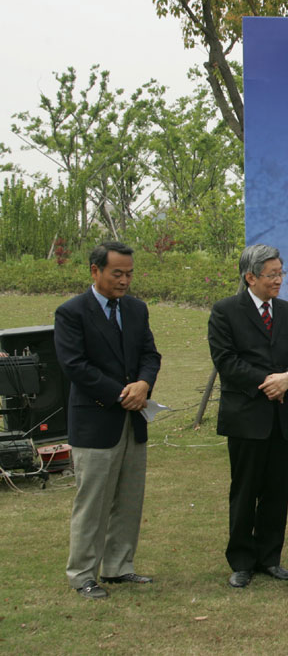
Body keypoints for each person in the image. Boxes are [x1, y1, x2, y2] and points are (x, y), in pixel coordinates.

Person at [54, 241, 162, 599]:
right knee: (93, 504)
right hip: (96, 424)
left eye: (129, 274)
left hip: (133, 421)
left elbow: (150, 354)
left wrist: (143, 384)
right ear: (95, 270)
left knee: (129, 500)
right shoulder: (71, 313)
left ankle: (118, 565)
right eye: (117, 273)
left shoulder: (136, 309)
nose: (125, 280)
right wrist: (121, 393)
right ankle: (83, 574)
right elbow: (75, 365)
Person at [208, 244, 288, 588]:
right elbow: (226, 360)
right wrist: (268, 383)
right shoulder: (225, 311)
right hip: (247, 416)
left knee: (276, 491)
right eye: (272, 275)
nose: (278, 280)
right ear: (250, 277)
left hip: (283, 416)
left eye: (281, 273)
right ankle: (241, 561)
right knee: (245, 490)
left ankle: (270, 558)